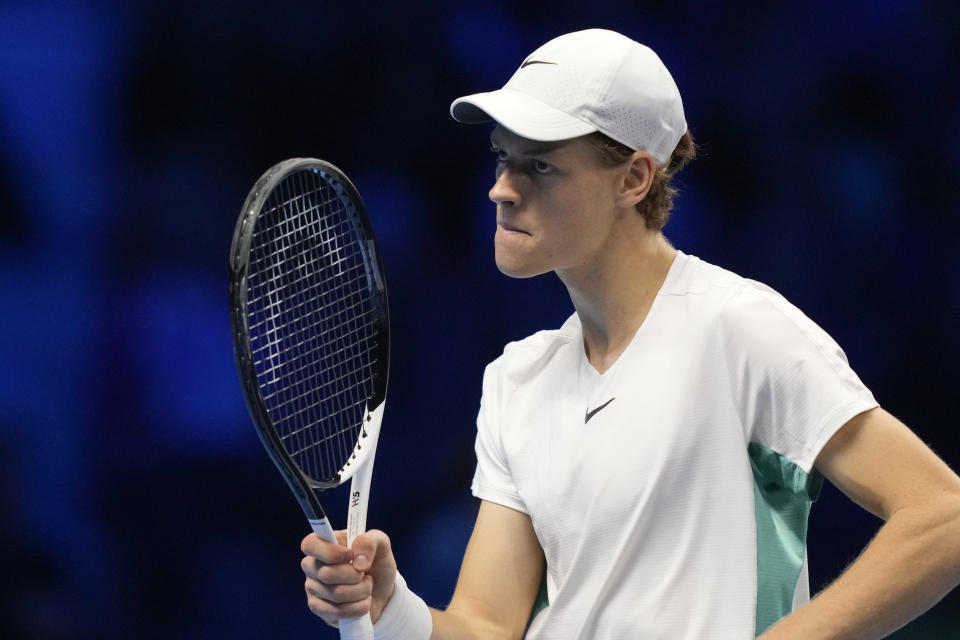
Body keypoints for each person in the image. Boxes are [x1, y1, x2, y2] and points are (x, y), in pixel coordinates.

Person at [299, 29, 960, 639]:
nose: (501, 188)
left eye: (541, 167)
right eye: (503, 159)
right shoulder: (515, 380)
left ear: (635, 178)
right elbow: (487, 625)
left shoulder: (739, 330)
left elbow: (943, 517)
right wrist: (393, 608)